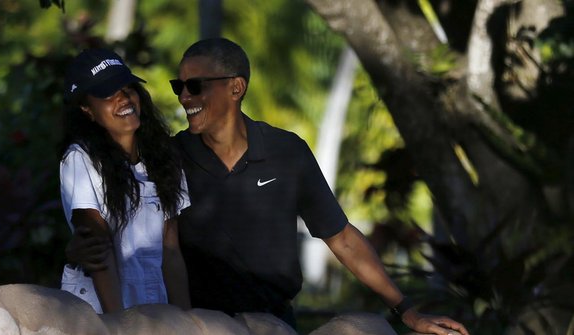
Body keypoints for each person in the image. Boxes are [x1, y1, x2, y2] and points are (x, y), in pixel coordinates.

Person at [70, 39, 469, 335]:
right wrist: (77, 248)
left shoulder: (287, 151)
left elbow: (341, 236)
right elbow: (126, 228)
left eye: (195, 86)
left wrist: (408, 311)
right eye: (179, 86)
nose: (184, 97)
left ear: (236, 88)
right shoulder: (168, 157)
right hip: (203, 326)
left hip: (276, 324)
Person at [58, 48, 190, 314]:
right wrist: (118, 324)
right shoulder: (80, 159)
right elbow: (98, 249)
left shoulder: (164, 158)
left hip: (153, 306)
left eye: (127, 87)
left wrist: (187, 321)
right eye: (108, 93)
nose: (123, 98)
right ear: (87, 109)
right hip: (98, 311)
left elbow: (171, 251)